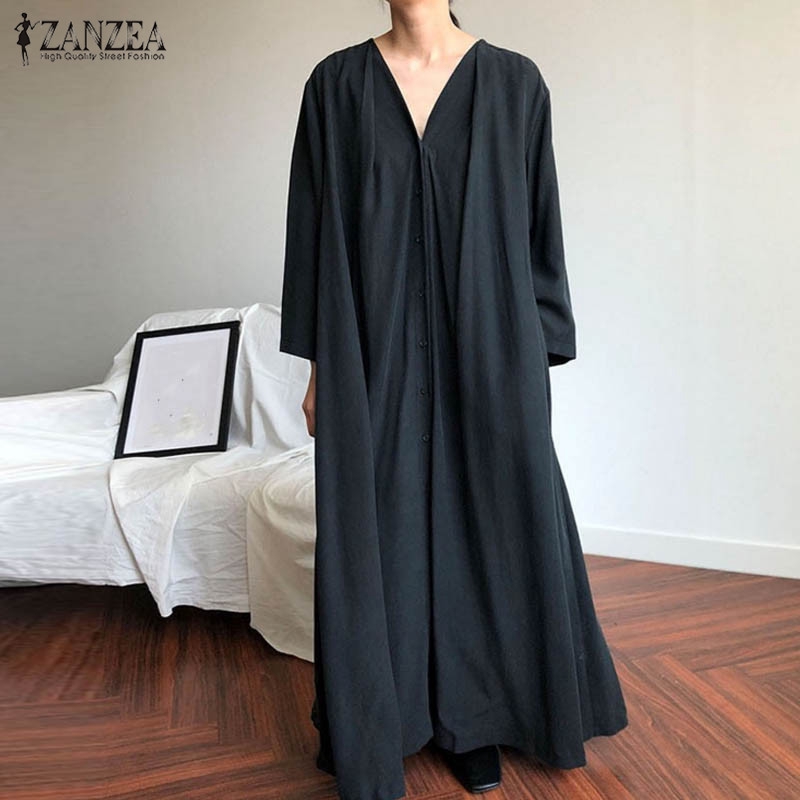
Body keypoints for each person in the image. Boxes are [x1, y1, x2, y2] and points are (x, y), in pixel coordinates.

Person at [278, 2, 629, 799]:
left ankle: (477, 720)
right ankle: (384, 724)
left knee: (494, 524)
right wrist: (320, 369)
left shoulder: (514, 83)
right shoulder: (335, 86)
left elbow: (541, 225)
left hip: (492, 344)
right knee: (383, 529)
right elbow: (312, 233)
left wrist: (537, 350)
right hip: (371, 351)